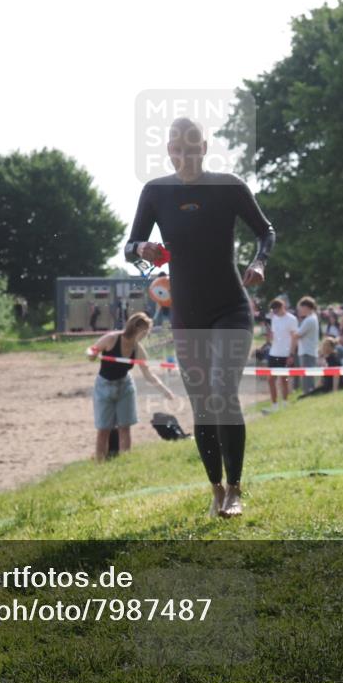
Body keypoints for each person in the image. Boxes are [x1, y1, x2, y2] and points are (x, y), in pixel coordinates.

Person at [126, 117, 274, 518]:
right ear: (169, 150)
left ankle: (237, 490)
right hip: (188, 316)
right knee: (203, 406)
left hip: (231, 307)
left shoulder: (228, 187)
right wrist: (143, 249)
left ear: (204, 147)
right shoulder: (155, 192)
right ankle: (216, 490)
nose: (183, 154)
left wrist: (260, 263)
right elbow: (129, 245)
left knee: (224, 393)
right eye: (176, 147)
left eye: (191, 147)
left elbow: (266, 231)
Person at [89, 313, 176, 463]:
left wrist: (165, 390)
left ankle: (125, 462)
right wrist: (92, 353)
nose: (146, 335)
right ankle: (99, 463)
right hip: (104, 386)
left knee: (125, 427)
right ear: (136, 329)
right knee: (104, 429)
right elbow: (91, 353)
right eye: (145, 332)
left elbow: (148, 374)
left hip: (125, 387)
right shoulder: (111, 338)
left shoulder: (138, 350)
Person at [265, 298, 298, 410]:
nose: (275, 312)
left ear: (282, 307)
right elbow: (273, 335)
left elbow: (294, 338)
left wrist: (291, 354)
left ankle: (284, 403)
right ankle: (274, 404)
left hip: (285, 353)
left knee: (283, 379)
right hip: (273, 353)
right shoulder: (274, 318)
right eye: (273, 310)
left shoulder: (291, 319)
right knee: (270, 379)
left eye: (276, 310)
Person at [292, 297, 320, 394]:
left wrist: (292, 332)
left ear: (306, 307)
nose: (299, 310)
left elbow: (297, 334)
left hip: (307, 352)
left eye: (301, 308)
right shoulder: (313, 317)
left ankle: (308, 394)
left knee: (307, 377)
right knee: (307, 376)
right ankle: (308, 393)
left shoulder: (309, 320)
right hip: (308, 351)